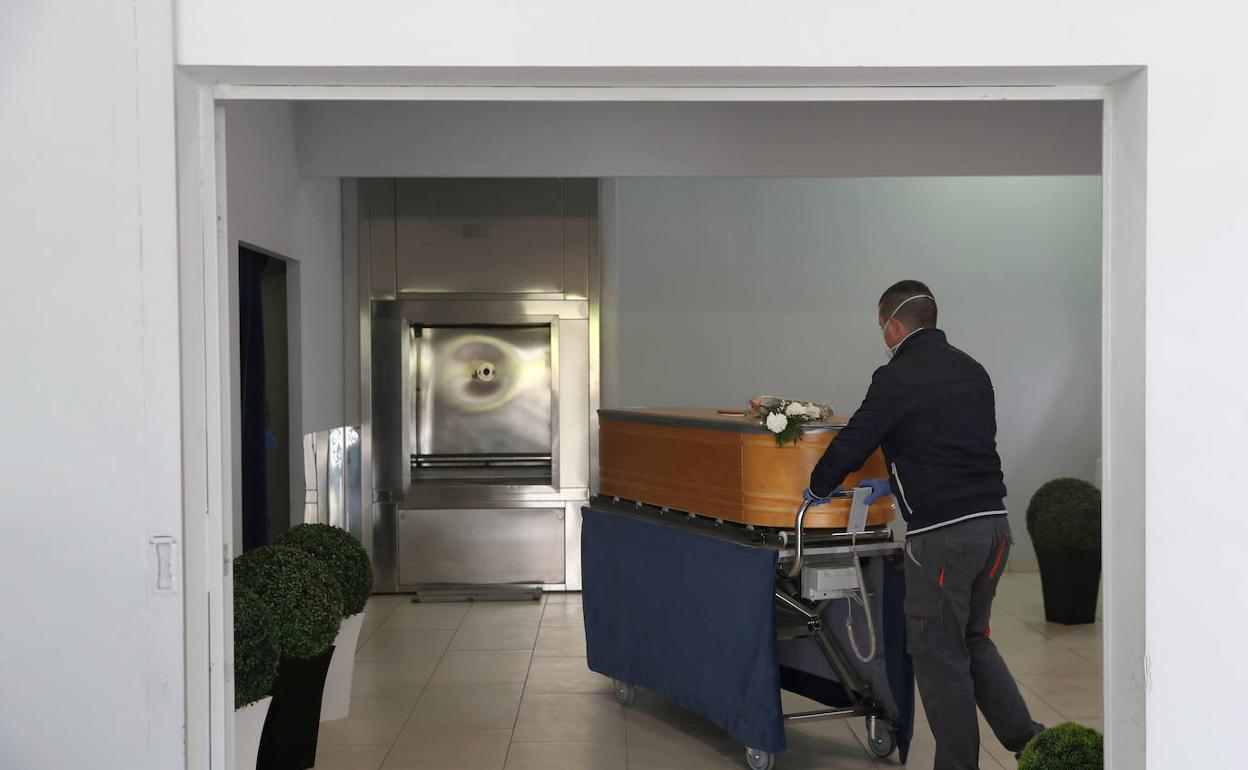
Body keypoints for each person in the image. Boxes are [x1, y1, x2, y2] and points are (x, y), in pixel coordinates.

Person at [803, 280, 1044, 769]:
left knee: (940, 657)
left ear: (893, 325)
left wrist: (818, 486)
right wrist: (895, 483)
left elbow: (856, 439)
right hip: (994, 529)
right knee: (972, 640)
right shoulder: (972, 369)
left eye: (881, 327)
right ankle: (1032, 745)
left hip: (942, 539)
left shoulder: (897, 376)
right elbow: (953, 446)